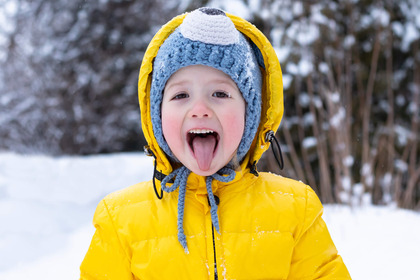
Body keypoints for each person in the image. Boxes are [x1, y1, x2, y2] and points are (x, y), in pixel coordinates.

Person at [80, 7, 351, 279]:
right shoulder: (121, 221)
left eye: (220, 93)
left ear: (251, 113)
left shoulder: (295, 211)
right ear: (156, 116)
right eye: (181, 95)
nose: (200, 108)